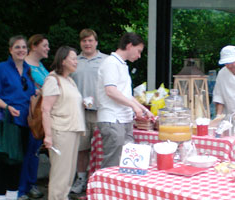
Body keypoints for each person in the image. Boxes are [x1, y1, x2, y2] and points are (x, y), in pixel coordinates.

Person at [97, 32, 154, 168]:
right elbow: (111, 91)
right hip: (113, 119)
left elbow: (126, 95)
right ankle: (107, 188)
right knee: (113, 163)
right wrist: (134, 107)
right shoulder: (111, 63)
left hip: (124, 119)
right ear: (129, 46)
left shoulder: (121, 64)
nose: (139, 55)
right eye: (138, 51)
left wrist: (144, 110)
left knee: (125, 162)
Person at [41, 46, 86, 199]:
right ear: (63, 60)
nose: (76, 62)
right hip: (61, 131)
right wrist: (48, 136)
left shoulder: (70, 80)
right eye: (73, 58)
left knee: (68, 173)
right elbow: (45, 109)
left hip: (73, 130)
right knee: (60, 174)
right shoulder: (53, 80)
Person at [0, 35, 35, 200]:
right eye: (17, 47)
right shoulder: (1, 68)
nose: (21, 50)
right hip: (7, 123)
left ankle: (12, 196)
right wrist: (7, 107)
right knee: (4, 162)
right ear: (10, 50)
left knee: (19, 162)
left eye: (24, 47)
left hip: (25, 123)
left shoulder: (28, 70)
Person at [70, 29, 108, 194]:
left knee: (101, 149)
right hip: (80, 112)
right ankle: (81, 179)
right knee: (82, 149)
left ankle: (100, 181)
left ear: (96, 42)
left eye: (90, 40)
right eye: (84, 41)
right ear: (80, 43)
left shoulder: (106, 60)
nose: (87, 44)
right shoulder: (74, 61)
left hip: (102, 112)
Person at [18, 34, 49, 200]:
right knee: (27, 151)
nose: (48, 49)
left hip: (40, 114)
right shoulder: (24, 66)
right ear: (34, 46)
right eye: (44, 45)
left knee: (35, 150)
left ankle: (31, 184)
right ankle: (21, 188)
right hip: (28, 114)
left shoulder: (40, 65)